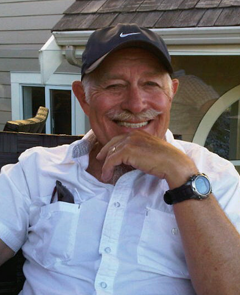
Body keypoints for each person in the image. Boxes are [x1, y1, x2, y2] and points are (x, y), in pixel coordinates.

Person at [0, 23, 240, 295]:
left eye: (150, 84)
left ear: (171, 93)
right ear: (83, 97)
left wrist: (182, 175)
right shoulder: (36, 170)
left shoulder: (215, 176)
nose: (136, 104)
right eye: (115, 86)